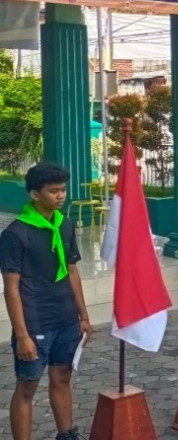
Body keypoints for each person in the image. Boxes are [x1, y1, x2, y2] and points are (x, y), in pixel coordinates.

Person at [0, 164, 92, 440]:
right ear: (34, 194)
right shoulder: (15, 235)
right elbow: (10, 288)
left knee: (62, 377)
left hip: (66, 318)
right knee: (27, 386)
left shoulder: (64, 224)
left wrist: (83, 316)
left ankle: (66, 434)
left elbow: (72, 271)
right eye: (53, 191)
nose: (60, 196)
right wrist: (22, 335)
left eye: (63, 190)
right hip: (35, 321)